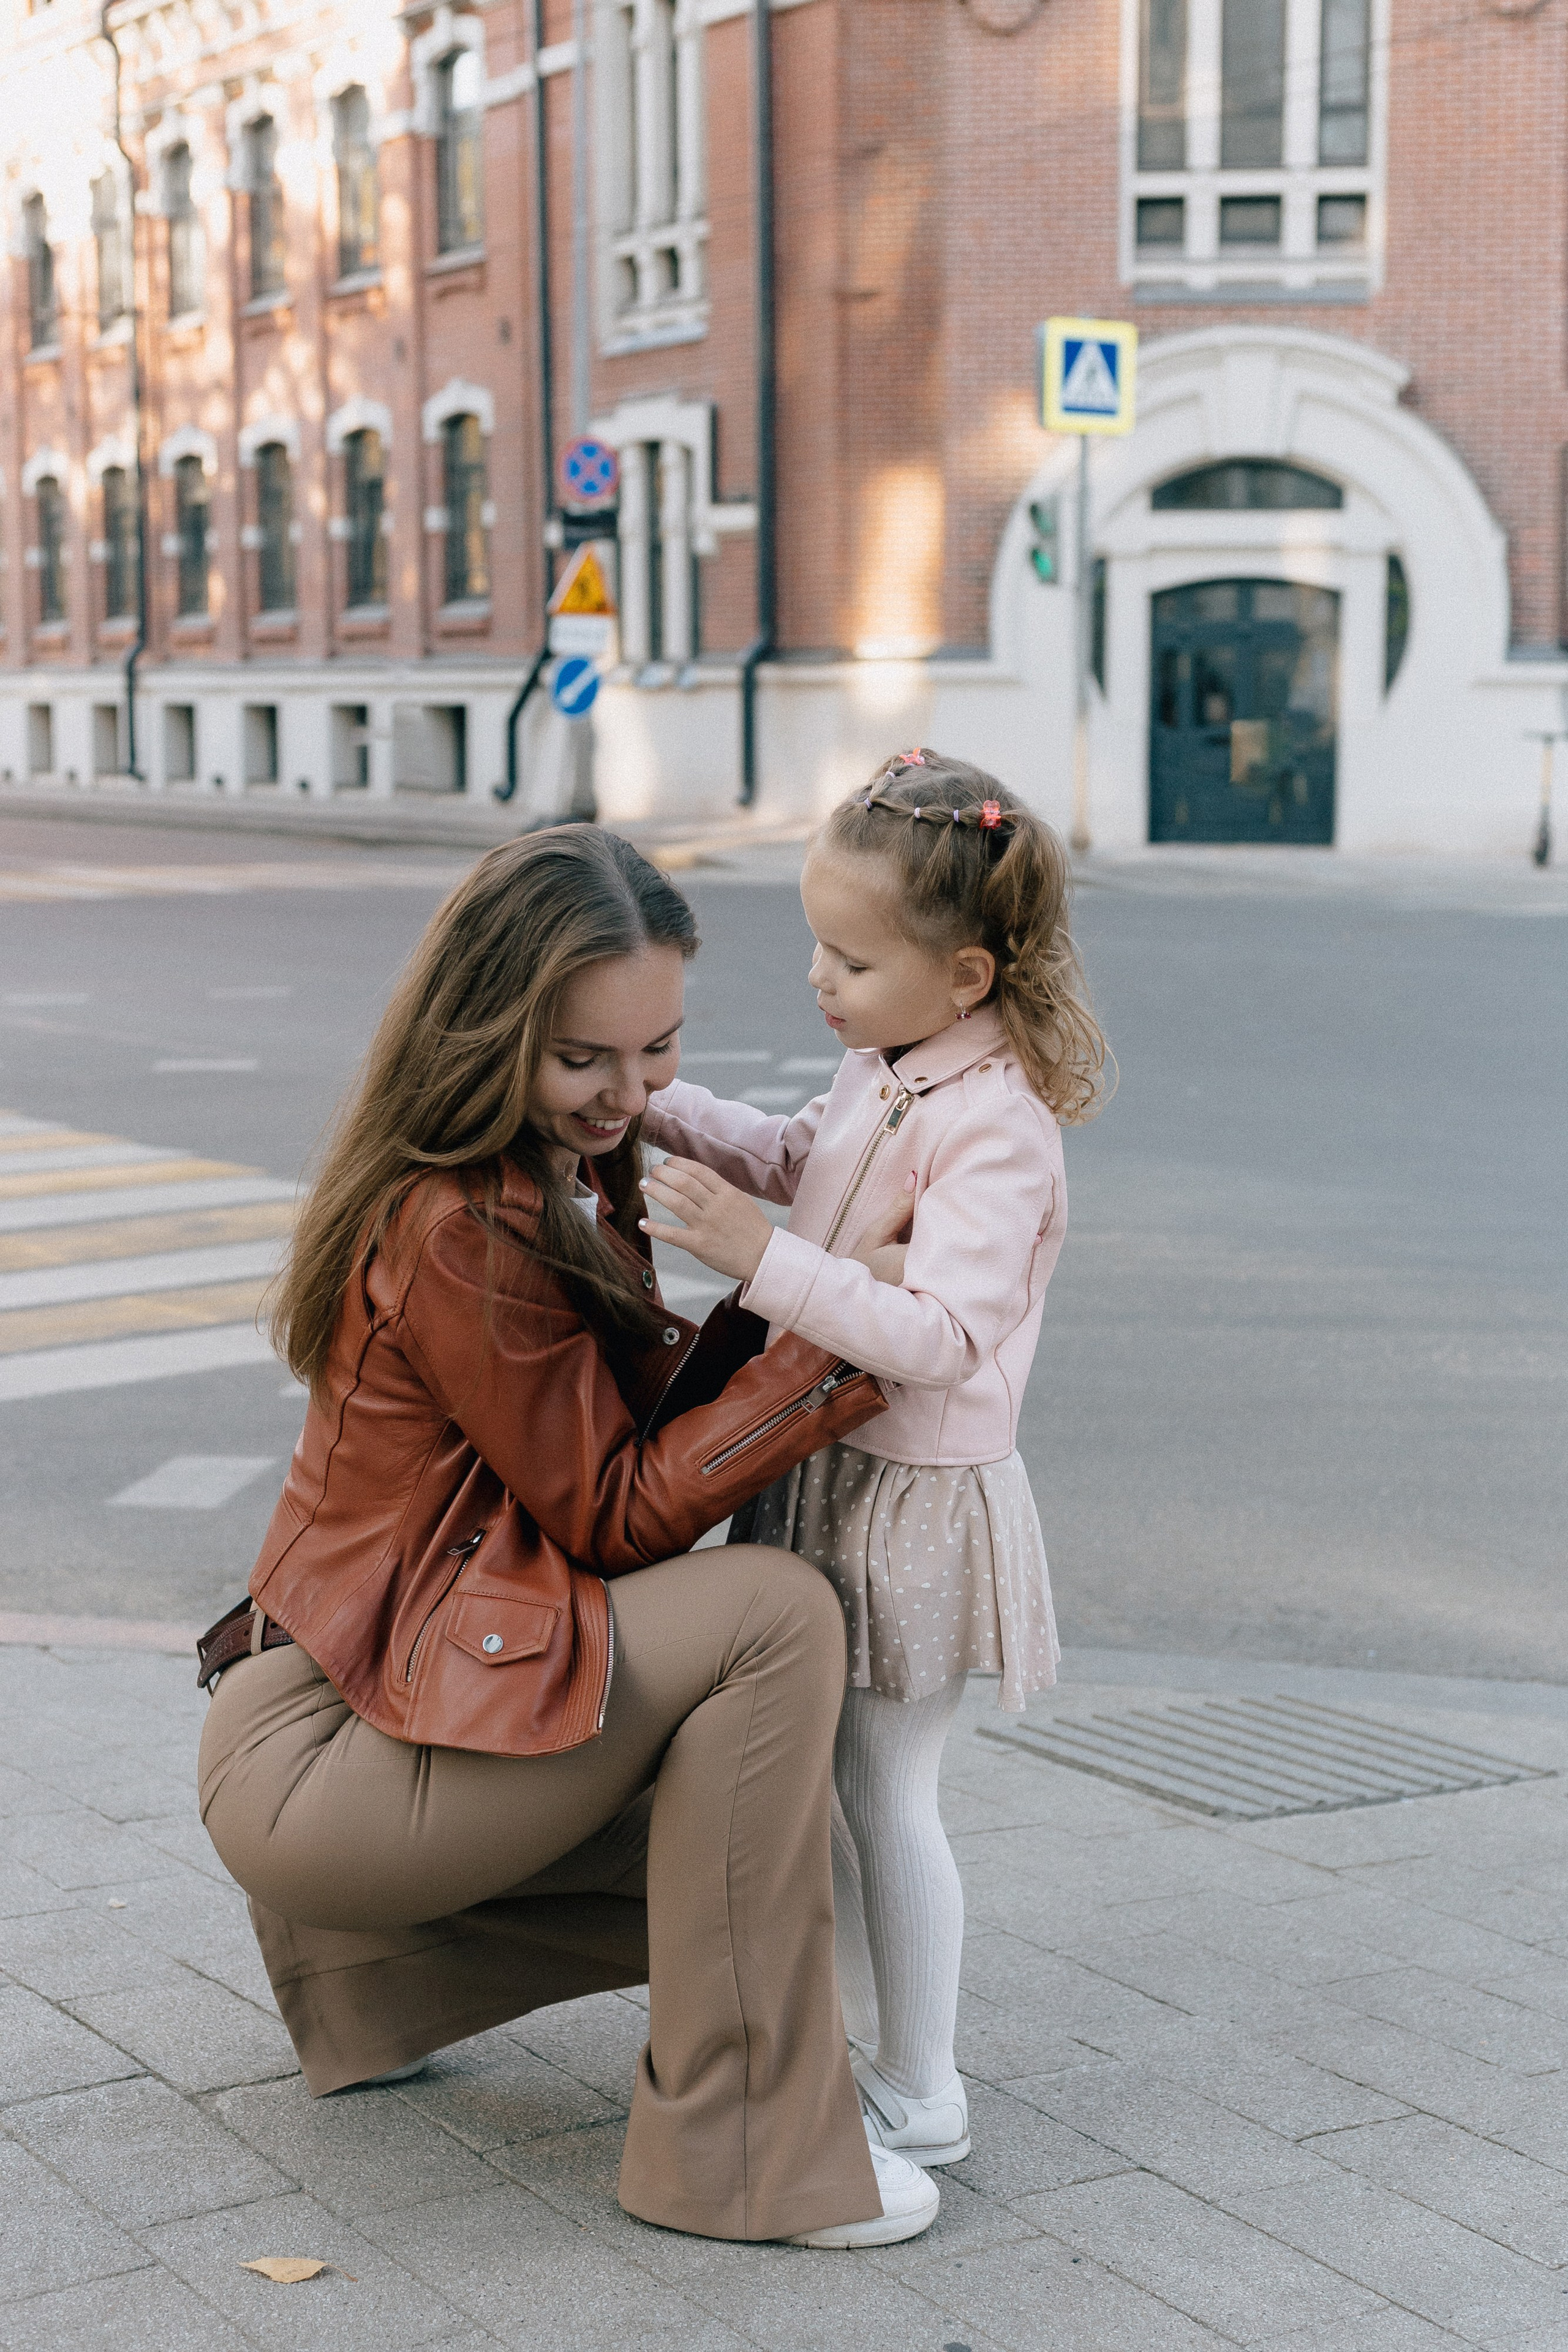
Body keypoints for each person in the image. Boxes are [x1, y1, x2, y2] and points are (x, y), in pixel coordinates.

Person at [195, 825, 942, 2250]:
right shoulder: (460, 1219)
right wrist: (838, 1348)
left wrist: (811, 1305)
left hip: (360, 1711)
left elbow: (610, 1443)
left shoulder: (549, 1167)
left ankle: (367, 1983)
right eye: (582, 1059)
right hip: (323, 1754)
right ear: (489, 1031)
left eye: (656, 1050)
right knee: (773, 1616)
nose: (630, 1094)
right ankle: (741, 2153)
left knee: (774, 1847)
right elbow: (605, 1516)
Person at [639, 751, 1108, 2169]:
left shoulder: (996, 1124)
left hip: (915, 1493)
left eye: (850, 956)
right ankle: (848, 2046)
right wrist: (661, 1108)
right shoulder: (885, 1063)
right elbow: (801, 1156)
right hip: (827, 1464)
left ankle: (923, 2084)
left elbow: (945, 1334)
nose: (819, 980)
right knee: (824, 1777)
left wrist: (757, 1259)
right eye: (815, 947)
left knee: (889, 1790)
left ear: (964, 975)